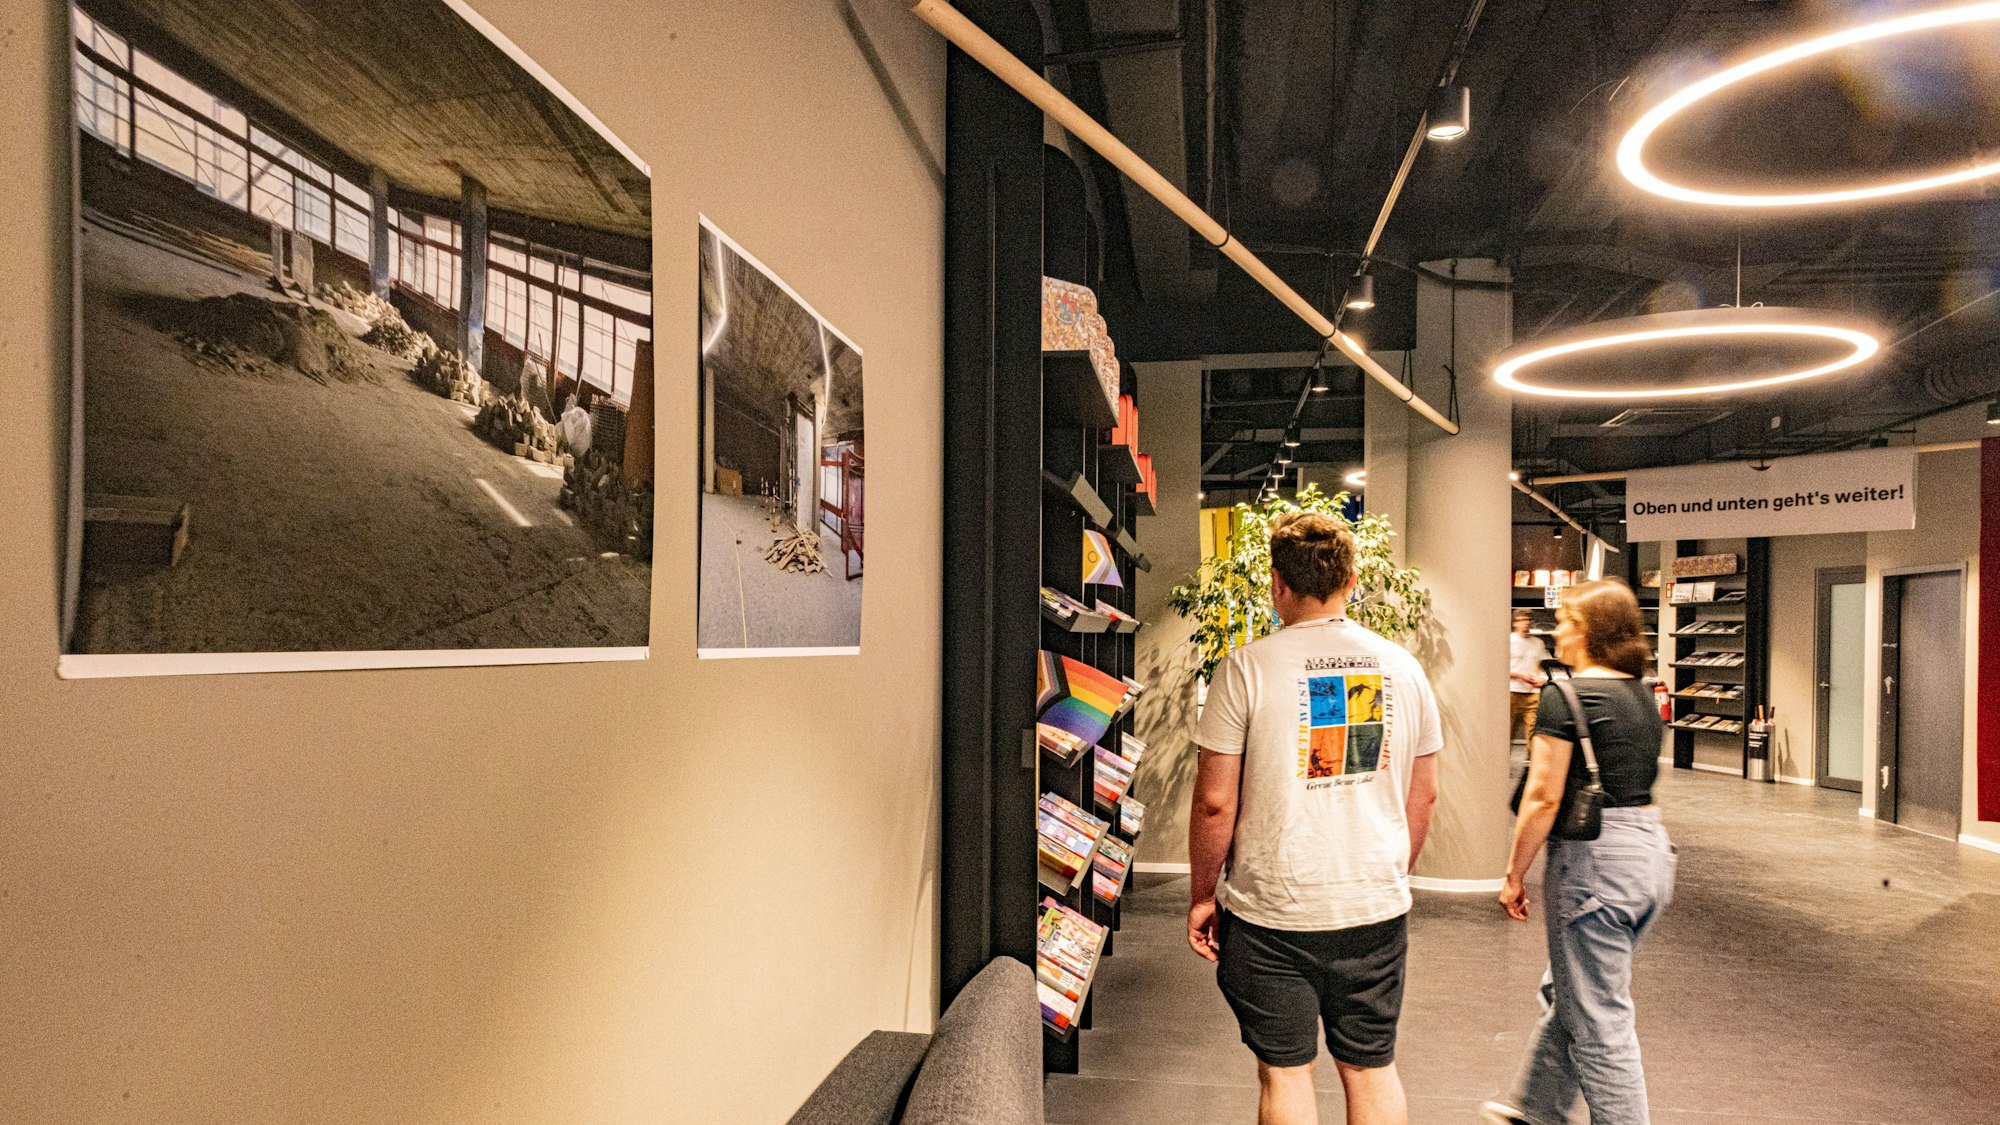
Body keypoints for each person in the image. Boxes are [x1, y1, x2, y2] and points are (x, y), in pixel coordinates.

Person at [1187, 512, 1443, 1125]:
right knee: (1372, 1070)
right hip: (1374, 910)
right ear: (1352, 580)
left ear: (1276, 583)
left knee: (1285, 1074)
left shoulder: (1245, 668)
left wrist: (1203, 894)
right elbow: (1425, 794)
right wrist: (1385, 874)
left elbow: (1215, 801)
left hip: (1273, 911)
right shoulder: (1403, 669)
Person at [1483, 580, 1676, 1125]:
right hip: (1650, 857)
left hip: (1597, 863)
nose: (1557, 631)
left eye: (1565, 621)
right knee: (1567, 986)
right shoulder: (1642, 693)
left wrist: (1514, 873)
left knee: (1599, 1022)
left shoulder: (1564, 695)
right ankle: (1538, 1110)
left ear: (1587, 632)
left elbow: (1543, 796)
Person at [1508, 609, 1550, 746]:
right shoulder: (1508, 641)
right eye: (1521, 620)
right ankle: (1502, 765)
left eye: (1528, 620)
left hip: (1532, 693)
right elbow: (1500, 669)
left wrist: (1542, 678)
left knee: (1533, 733)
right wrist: (1520, 676)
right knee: (1507, 731)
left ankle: (1532, 764)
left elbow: (1537, 666)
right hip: (1512, 692)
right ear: (1515, 623)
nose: (1526, 623)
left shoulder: (1538, 643)